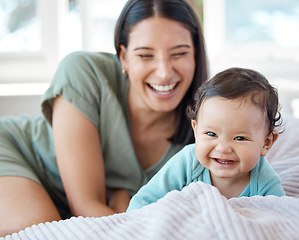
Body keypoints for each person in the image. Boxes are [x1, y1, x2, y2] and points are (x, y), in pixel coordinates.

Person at [0, 0, 208, 236]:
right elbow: (86, 206)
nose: (163, 72)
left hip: (77, 209)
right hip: (20, 155)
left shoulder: (206, 128)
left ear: (196, 55)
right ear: (124, 57)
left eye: (179, 53)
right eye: (145, 55)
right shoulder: (84, 72)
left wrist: (120, 199)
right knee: (38, 231)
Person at [127, 67, 285, 212]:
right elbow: (144, 201)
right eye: (211, 134)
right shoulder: (188, 162)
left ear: (266, 143)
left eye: (239, 138)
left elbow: (282, 223)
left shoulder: (265, 183)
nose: (223, 148)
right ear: (196, 129)